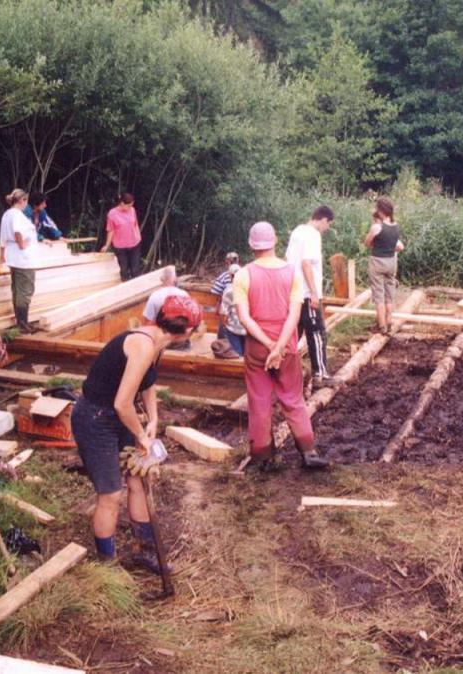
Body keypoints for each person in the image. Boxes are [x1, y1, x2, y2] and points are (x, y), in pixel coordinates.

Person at [72, 294, 202, 572]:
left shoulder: (156, 342)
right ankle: (107, 567)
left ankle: (144, 550)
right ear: (189, 330)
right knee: (110, 494)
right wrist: (142, 436)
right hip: (94, 418)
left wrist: (153, 418)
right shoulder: (142, 344)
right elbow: (122, 403)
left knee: (139, 480)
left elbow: (147, 381)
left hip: (116, 415)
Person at [234, 221, 329, 471]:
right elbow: (294, 316)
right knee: (293, 398)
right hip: (286, 346)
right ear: (275, 240)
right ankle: (308, 452)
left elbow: (244, 317)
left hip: (257, 348)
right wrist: (278, 347)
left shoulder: (243, 275)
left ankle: (263, 457)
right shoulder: (292, 272)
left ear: (251, 245)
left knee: (259, 400)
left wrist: (267, 344)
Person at [286, 205, 339, 388]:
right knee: (317, 333)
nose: (327, 228)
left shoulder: (297, 231)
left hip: (294, 293)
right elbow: (306, 264)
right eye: (328, 224)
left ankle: (287, 375)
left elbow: (289, 261)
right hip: (307, 293)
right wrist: (314, 292)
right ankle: (320, 375)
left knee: (294, 335)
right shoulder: (313, 235)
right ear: (323, 219)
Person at [0, 189, 39, 333]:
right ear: (22, 200)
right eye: (26, 201)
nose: (26, 204)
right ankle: (22, 323)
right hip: (23, 259)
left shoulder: (7, 214)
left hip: (14, 257)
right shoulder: (17, 215)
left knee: (17, 289)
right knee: (25, 290)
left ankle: (21, 322)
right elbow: (17, 231)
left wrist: (2, 256)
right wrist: (21, 244)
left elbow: (2, 238)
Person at [364, 196, 404, 335]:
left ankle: (381, 326)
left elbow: (367, 243)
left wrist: (375, 244)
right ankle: (389, 321)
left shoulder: (377, 227)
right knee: (389, 294)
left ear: (381, 210)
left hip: (377, 261)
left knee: (378, 294)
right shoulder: (396, 226)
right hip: (391, 262)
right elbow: (399, 246)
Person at [102, 193, 142, 281]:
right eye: (129, 205)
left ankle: (136, 286)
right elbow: (110, 230)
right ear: (122, 203)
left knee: (135, 270)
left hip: (134, 243)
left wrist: (138, 235)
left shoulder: (132, 210)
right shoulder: (112, 214)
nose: (130, 207)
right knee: (124, 270)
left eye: (132, 205)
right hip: (120, 246)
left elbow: (135, 224)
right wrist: (107, 245)